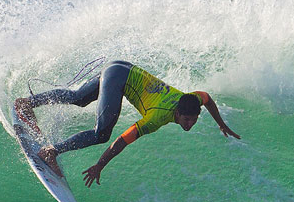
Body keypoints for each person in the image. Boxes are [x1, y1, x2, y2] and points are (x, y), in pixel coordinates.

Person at [13, 60, 240, 187]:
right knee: (102, 134)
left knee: (79, 98)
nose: (190, 124)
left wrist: (221, 124)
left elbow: (207, 98)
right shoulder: (157, 117)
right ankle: (51, 151)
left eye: (194, 120)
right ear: (178, 113)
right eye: (187, 119)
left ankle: (27, 103)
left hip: (119, 67)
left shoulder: (193, 99)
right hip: (119, 78)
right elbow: (122, 140)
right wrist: (100, 165)